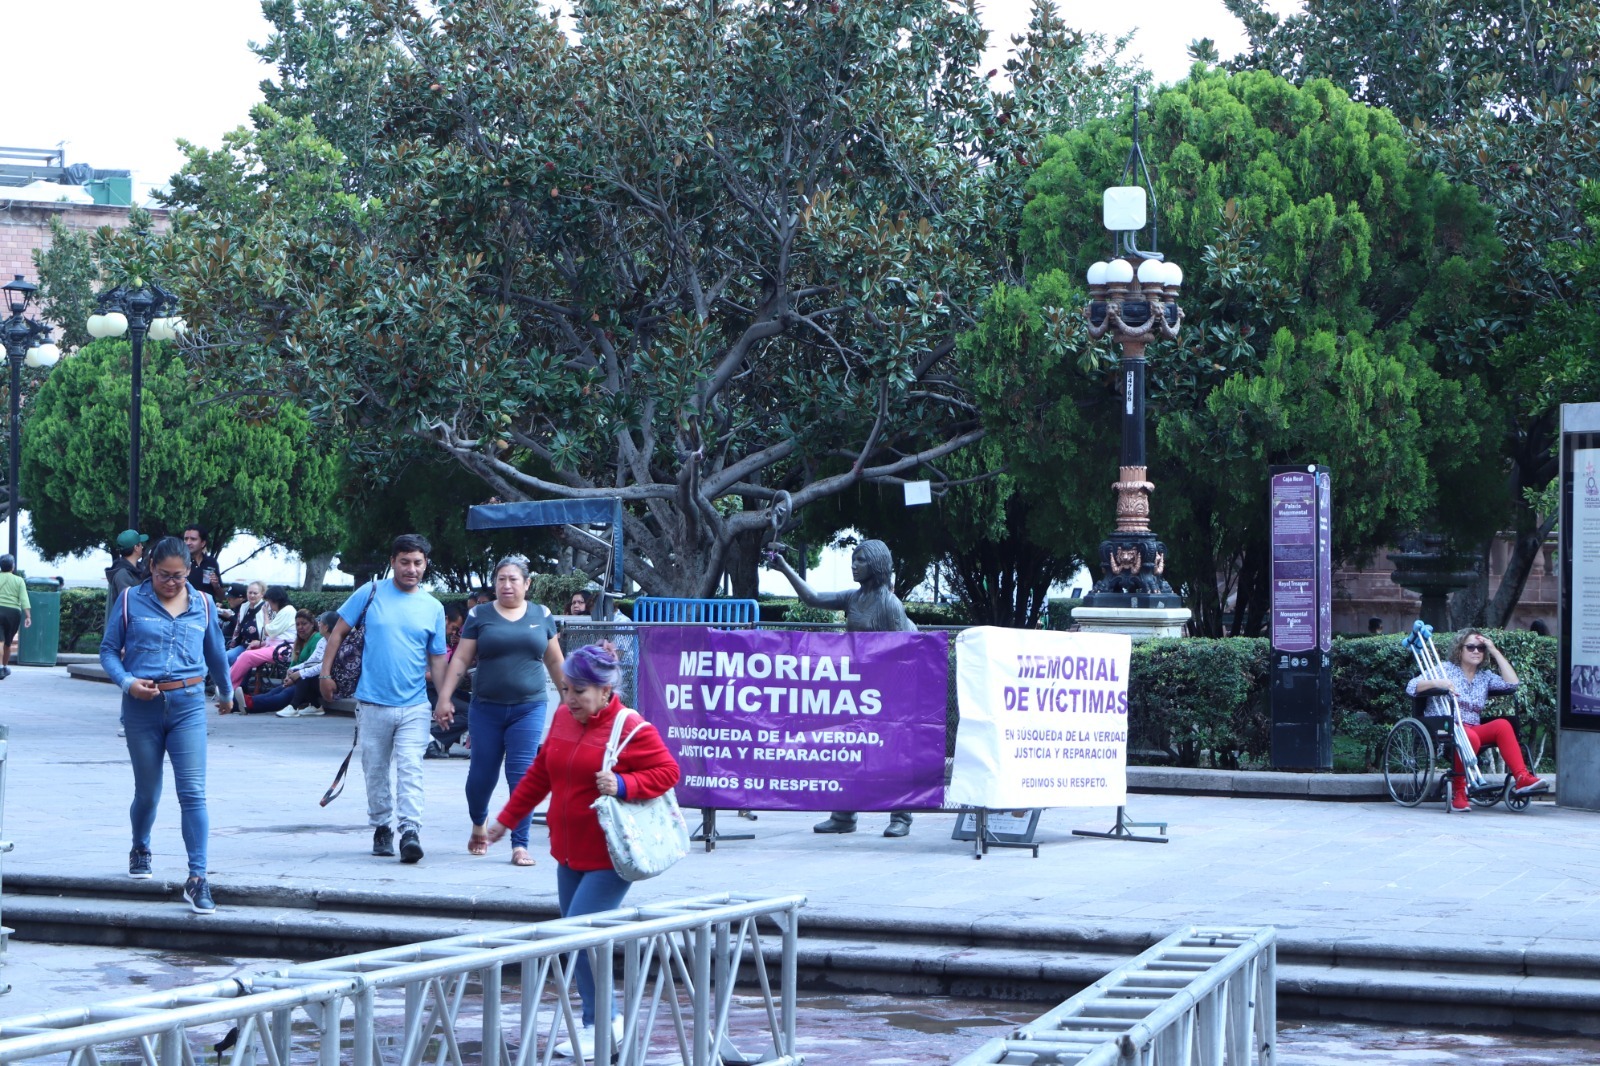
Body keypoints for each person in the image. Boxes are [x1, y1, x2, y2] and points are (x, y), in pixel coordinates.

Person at [486, 644, 680, 1059]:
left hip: (610, 855)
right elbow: (540, 774)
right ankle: (600, 1023)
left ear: (606, 691)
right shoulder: (562, 718)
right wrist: (505, 820)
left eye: (579, 692)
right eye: (565, 690)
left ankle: (604, 1023)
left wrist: (625, 785)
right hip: (567, 853)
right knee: (582, 940)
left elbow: (668, 772)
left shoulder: (631, 727)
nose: (569, 700)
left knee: (577, 937)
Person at [99, 536, 233, 914]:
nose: (171, 583)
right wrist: (128, 683)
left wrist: (225, 692)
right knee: (148, 791)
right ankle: (140, 845)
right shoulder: (130, 601)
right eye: (162, 576)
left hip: (188, 704)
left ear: (189, 570)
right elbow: (108, 651)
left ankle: (198, 877)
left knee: (193, 792)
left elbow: (216, 651)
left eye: (178, 576)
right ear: (149, 569)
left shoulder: (203, 604)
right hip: (142, 706)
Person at [766, 538, 918, 836]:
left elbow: (903, 653)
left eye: (860, 560)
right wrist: (783, 567)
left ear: (875, 565)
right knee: (848, 749)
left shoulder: (890, 605)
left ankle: (901, 815)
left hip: (888, 690)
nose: (853, 565)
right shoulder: (853, 597)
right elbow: (813, 598)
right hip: (858, 689)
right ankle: (844, 814)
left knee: (891, 752)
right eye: (853, 559)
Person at [319, 534, 448, 864]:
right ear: (392, 562)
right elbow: (338, 633)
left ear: (425, 565)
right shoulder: (370, 592)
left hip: (415, 705)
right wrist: (325, 674)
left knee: (410, 768)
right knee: (375, 770)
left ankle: (410, 831)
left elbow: (437, 658)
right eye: (404, 561)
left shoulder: (433, 607)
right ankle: (381, 826)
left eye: (418, 562)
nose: (411, 569)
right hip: (373, 703)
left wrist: (444, 698)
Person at [436, 555, 566, 867]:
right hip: (487, 708)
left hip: (529, 707)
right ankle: (479, 822)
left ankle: (519, 844)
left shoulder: (541, 614)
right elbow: (461, 659)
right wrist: (444, 697)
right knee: (481, 775)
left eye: (513, 579)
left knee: (521, 776)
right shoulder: (480, 614)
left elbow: (556, 662)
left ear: (527, 584)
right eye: (501, 579)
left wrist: (570, 700)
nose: (506, 585)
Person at [1406, 628, 1546, 812]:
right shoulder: (1445, 669)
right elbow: (1411, 687)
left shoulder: (1484, 676)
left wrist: (1494, 649)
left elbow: (1512, 684)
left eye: (1481, 648)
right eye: (1471, 647)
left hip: (1473, 728)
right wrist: (1438, 683)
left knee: (1502, 725)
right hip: (1448, 725)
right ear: (1460, 649)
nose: (1476, 651)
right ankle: (1459, 790)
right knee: (1470, 737)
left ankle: (1522, 778)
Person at [253, 611, 336, 717]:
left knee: (281, 697)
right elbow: (311, 661)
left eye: (304, 624)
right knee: (274, 692)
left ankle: (293, 706)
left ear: (326, 627)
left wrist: (300, 673)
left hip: (326, 681)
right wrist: (292, 671)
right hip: (306, 680)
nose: (300, 627)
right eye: (297, 624)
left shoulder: (320, 639)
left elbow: (323, 665)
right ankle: (240, 702)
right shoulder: (321, 641)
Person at [227, 585, 296, 702]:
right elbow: (275, 635)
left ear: (275, 600)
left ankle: (228, 687)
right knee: (247, 653)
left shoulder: (288, 610)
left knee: (246, 656)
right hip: (275, 646)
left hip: (283, 649)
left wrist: (265, 615)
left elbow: (269, 631)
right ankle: (233, 687)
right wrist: (262, 643)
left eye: (269, 602)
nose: (268, 605)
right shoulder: (283, 611)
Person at [105, 529, 149, 625]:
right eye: (140, 544)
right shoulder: (122, 574)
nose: (142, 546)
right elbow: (129, 605)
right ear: (136, 548)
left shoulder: (139, 568)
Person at [0, 555, 30, 680]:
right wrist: (28, 616)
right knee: (7, 642)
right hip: (13, 613)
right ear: (12, 566)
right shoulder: (19, 580)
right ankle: (4, 667)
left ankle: (0, 667)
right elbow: (24, 599)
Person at [182, 525, 226, 603]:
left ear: (203, 543)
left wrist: (216, 586)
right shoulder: (180, 562)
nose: (188, 543)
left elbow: (222, 597)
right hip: (186, 610)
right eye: (186, 539)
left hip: (207, 610)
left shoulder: (211, 562)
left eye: (193, 539)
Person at [226, 581, 267, 665]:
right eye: (250, 592)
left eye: (255, 593)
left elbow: (270, 631)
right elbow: (238, 628)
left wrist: (261, 643)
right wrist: (232, 646)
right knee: (226, 656)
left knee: (241, 660)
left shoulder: (266, 608)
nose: (252, 595)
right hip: (244, 645)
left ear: (262, 594)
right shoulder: (244, 607)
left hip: (259, 646)